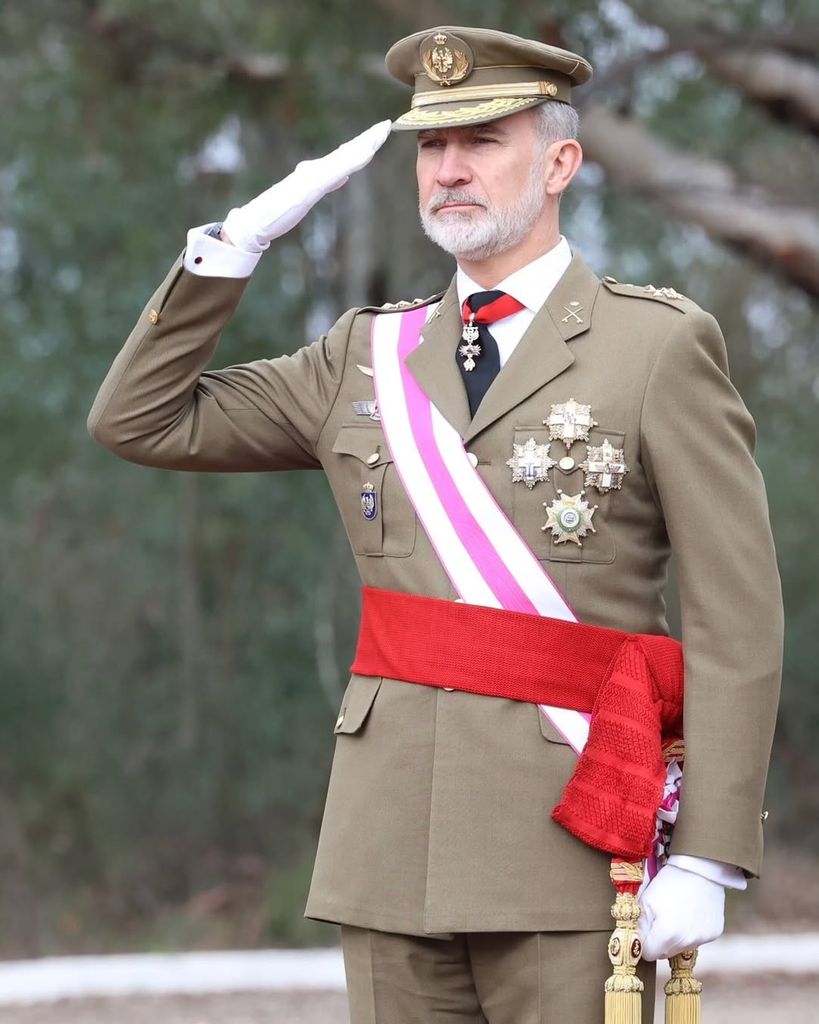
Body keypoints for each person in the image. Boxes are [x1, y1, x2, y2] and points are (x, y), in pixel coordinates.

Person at [89, 25, 783, 1024]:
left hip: (574, 845)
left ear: (560, 163)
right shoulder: (363, 356)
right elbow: (139, 419)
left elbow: (737, 617)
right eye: (430, 147)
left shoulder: (657, 346)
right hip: (388, 851)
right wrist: (233, 245)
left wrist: (711, 853)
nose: (449, 171)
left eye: (483, 141)